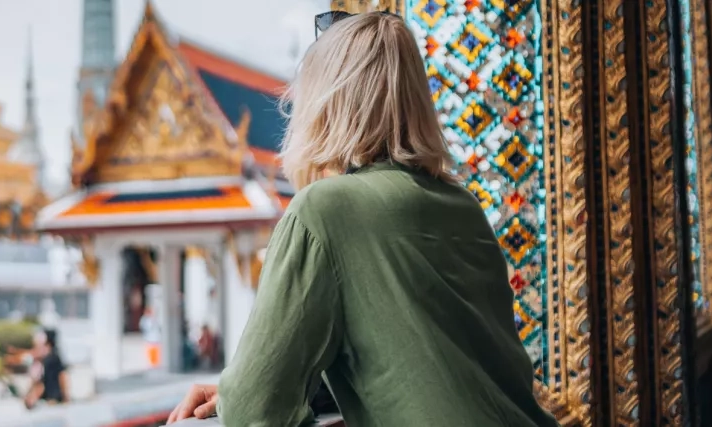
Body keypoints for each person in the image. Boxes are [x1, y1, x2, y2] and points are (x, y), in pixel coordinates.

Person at [166, 12, 559, 427]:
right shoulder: (463, 206)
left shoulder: (323, 210)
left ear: (325, 103)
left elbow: (254, 409)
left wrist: (237, 393)